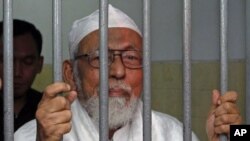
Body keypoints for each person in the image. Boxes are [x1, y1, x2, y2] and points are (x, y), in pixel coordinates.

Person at [14, 5, 241, 141]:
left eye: (132, 58)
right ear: (70, 73)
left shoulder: (172, 133)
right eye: (101, 58)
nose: (119, 71)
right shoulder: (30, 136)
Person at [0, 19, 44, 140]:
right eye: (7, 60)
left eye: (27, 62)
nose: (17, 72)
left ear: (39, 65)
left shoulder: (47, 109)